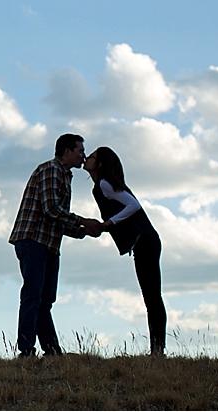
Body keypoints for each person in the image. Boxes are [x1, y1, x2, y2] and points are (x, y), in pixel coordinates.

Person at [8, 133, 102, 357]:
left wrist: (82, 231)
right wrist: (83, 222)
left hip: (47, 243)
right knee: (33, 296)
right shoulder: (51, 170)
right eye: (80, 151)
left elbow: (57, 217)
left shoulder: (64, 175)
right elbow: (51, 208)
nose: (83, 155)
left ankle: (50, 350)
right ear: (67, 152)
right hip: (33, 240)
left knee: (44, 300)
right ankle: (27, 350)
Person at [84, 146, 166, 355]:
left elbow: (133, 205)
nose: (87, 158)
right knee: (152, 296)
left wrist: (110, 222)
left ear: (100, 163)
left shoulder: (104, 184)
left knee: (152, 296)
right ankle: (157, 348)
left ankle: (158, 349)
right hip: (145, 242)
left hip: (144, 241)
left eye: (92, 156)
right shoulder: (101, 186)